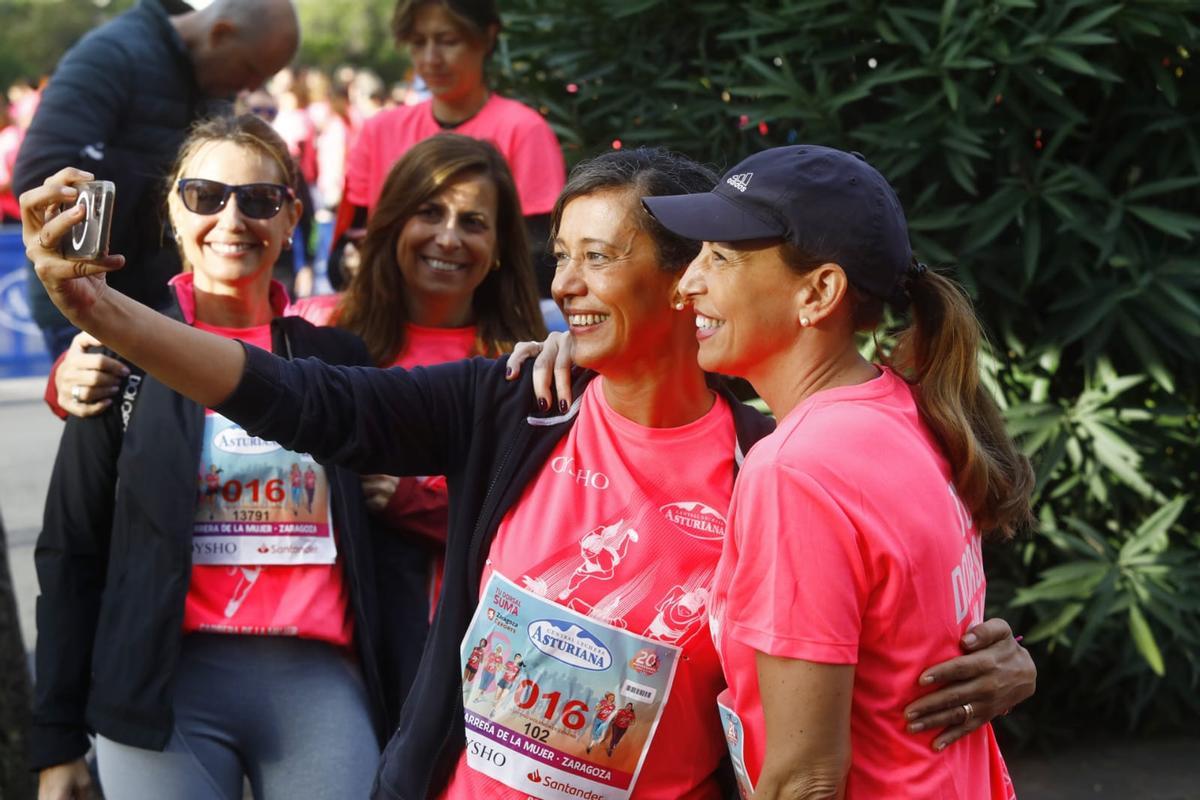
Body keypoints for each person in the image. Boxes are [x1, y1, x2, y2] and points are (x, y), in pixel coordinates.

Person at [23, 147, 1034, 800]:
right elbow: (308, 400)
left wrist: (1000, 659)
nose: (561, 285)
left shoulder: (776, 458)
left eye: (598, 258)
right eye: (559, 255)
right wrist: (104, 315)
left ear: (685, 281)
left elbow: (887, 628)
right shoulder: (516, 403)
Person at [25, 115, 413, 800]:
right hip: (160, 692)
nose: (233, 218)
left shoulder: (339, 361)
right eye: (206, 195)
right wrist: (55, 739)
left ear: (293, 218)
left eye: (260, 200)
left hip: (319, 687)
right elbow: (70, 549)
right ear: (173, 209)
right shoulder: (115, 357)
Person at [645, 144, 1036, 797]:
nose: (688, 283)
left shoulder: (796, 468)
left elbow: (807, 775)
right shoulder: (901, 411)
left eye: (720, 257)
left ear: (819, 290)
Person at [12, 0, 299, 358]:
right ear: (221, 33)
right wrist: (174, 188)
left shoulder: (214, 83)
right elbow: (41, 174)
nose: (249, 88)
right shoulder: (112, 54)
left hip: (166, 305)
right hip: (86, 300)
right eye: (251, 70)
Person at [331, 0, 565, 295]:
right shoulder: (380, 130)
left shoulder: (524, 130)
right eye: (418, 43)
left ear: (487, 38)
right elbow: (341, 258)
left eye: (448, 41)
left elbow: (541, 263)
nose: (431, 58)